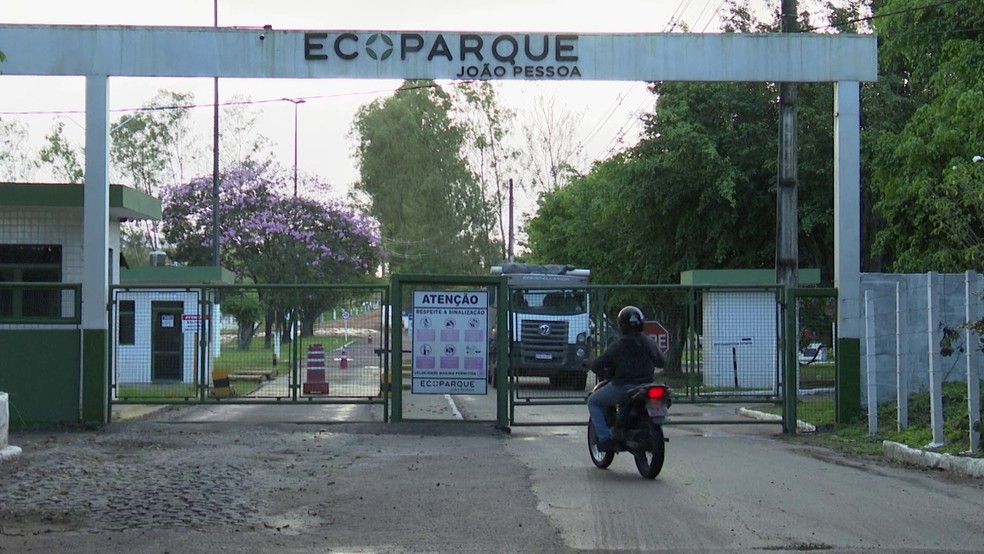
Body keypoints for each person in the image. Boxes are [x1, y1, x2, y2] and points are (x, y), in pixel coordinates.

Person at [587, 305, 665, 452]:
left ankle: (604, 439)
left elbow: (600, 363)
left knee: (593, 401)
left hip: (623, 386)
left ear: (621, 325)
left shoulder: (618, 345)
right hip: (646, 385)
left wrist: (590, 363)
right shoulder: (649, 342)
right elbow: (662, 362)